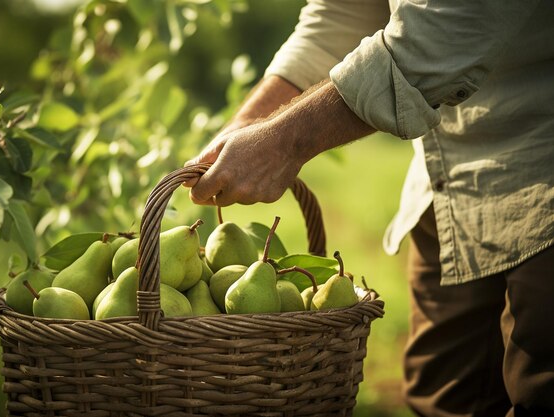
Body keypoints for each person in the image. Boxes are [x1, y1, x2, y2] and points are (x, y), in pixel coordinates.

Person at [183, 1, 554, 416]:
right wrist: (251, 121)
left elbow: (442, 34)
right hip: (447, 182)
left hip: (542, 173)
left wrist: (283, 142)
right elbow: (345, 11)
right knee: (443, 400)